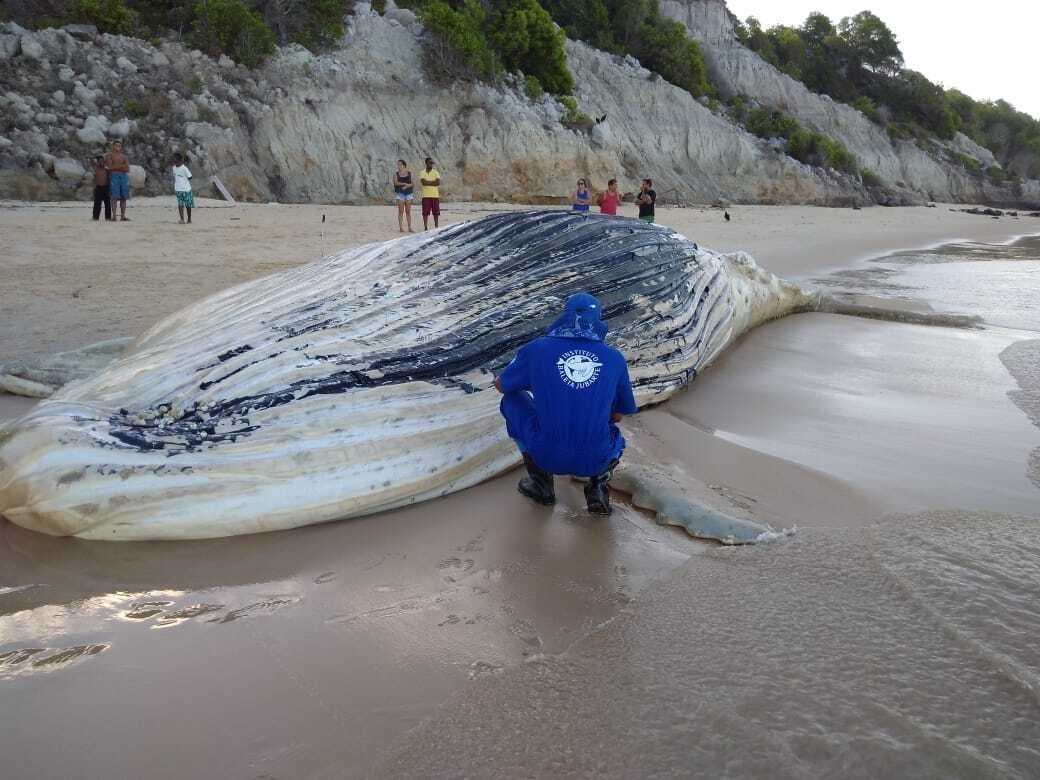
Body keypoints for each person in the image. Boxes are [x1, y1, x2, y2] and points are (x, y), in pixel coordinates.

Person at [494, 292, 638, 515]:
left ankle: (541, 485)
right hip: (596, 458)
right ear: (598, 319)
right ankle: (597, 489)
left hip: (545, 453)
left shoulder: (537, 349)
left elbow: (504, 386)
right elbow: (619, 414)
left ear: (566, 315)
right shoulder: (614, 358)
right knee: (611, 430)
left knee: (511, 400)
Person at [104, 140, 131, 221]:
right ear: (113, 146)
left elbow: (127, 168)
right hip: (114, 176)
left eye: (119, 146)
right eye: (116, 145)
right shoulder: (109, 155)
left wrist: (116, 166)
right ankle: (114, 216)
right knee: (114, 197)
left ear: (121, 147)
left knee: (124, 197)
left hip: (123, 177)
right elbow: (109, 167)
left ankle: (123, 216)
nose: (117, 147)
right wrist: (121, 166)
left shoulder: (124, 156)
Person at [171, 153, 194, 224]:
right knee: (180, 204)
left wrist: (183, 179)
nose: (174, 161)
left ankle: (189, 219)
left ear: (180, 160)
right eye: (173, 159)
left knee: (188, 205)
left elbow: (190, 177)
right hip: (178, 189)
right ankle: (182, 219)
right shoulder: (173, 168)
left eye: (175, 159)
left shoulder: (184, 168)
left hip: (186, 190)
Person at [419, 156, 441, 231]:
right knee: (425, 212)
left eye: (432, 163)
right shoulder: (422, 172)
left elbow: (438, 183)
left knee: (436, 212)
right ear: (426, 163)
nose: (431, 164)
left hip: (435, 196)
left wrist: (428, 182)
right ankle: (425, 227)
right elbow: (423, 183)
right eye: (430, 163)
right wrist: (432, 182)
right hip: (426, 195)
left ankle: (436, 227)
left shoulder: (436, 172)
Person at [393, 159, 414, 232]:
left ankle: (409, 227)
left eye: (400, 164)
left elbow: (413, 184)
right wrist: (404, 184)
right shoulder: (396, 174)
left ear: (404, 165)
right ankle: (401, 227)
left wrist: (407, 186)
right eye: (398, 164)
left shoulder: (409, 173)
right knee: (401, 211)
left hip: (409, 194)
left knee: (408, 211)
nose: (398, 166)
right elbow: (396, 183)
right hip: (400, 194)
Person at [90, 154, 111, 221]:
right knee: (97, 203)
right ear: (97, 162)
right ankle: (95, 217)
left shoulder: (107, 168)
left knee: (107, 203)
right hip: (98, 187)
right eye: (100, 161)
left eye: (102, 161)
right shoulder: (95, 168)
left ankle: (108, 217)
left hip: (106, 187)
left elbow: (110, 177)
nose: (101, 162)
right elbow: (91, 161)